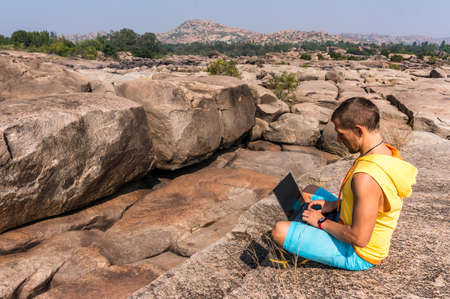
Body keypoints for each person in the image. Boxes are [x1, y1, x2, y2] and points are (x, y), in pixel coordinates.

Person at [271, 97, 417, 271]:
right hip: (353, 224)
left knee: (279, 231)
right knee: (309, 191)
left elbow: (359, 238)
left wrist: (321, 222)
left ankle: (308, 229)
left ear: (358, 130)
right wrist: (334, 205)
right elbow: (374, 202)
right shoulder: (387, 153)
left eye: (341, 133)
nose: (339, 140)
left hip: (358, 253)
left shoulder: (366, 178)